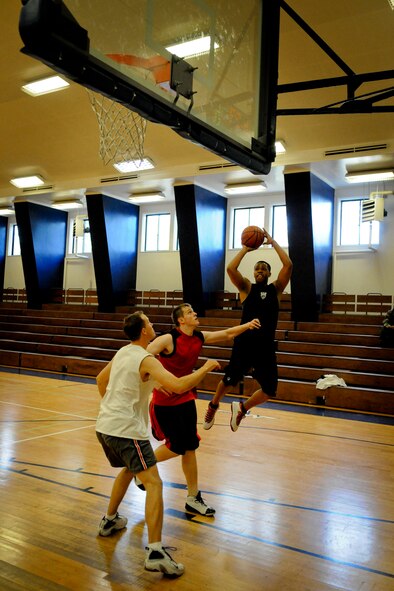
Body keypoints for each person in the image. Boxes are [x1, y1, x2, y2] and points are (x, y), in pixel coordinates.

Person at [95, 311, 220, 577]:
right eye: (149, 323)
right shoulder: (147, 359)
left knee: (130, 469)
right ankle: (155, 552)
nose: (153, 325)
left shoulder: (123, 352)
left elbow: (100, 381)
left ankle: (110, 520)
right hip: (126, 430)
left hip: (104, 426)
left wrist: (114, 407)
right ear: (143, 331)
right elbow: (176, 386)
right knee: (154, 483)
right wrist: (205, 369)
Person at [146, 304, 260, 516]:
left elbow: (227, 334)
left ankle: (193, 497)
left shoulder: (198, 337)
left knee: (190, 447)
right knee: (176, 446)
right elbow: (141, 357)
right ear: (181, 320)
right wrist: (154, 381)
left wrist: (248, 324)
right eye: (190, 312)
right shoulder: (168, 339)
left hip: (186, 397)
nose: (195, 313)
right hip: (165, 402)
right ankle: (142, 468)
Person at [203, 228, 293, 432]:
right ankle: (213, 405)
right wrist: (245, 249)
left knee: (270, 390)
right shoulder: (246, 288)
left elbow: (288, 265)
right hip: (244, 343)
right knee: (228, 381)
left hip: (265, 347)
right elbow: (230, 269)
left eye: (264, 269)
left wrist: (273, 241)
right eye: (257, 269)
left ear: (269, 273)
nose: (260, 271)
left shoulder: (276, 289)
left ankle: (242, 408)